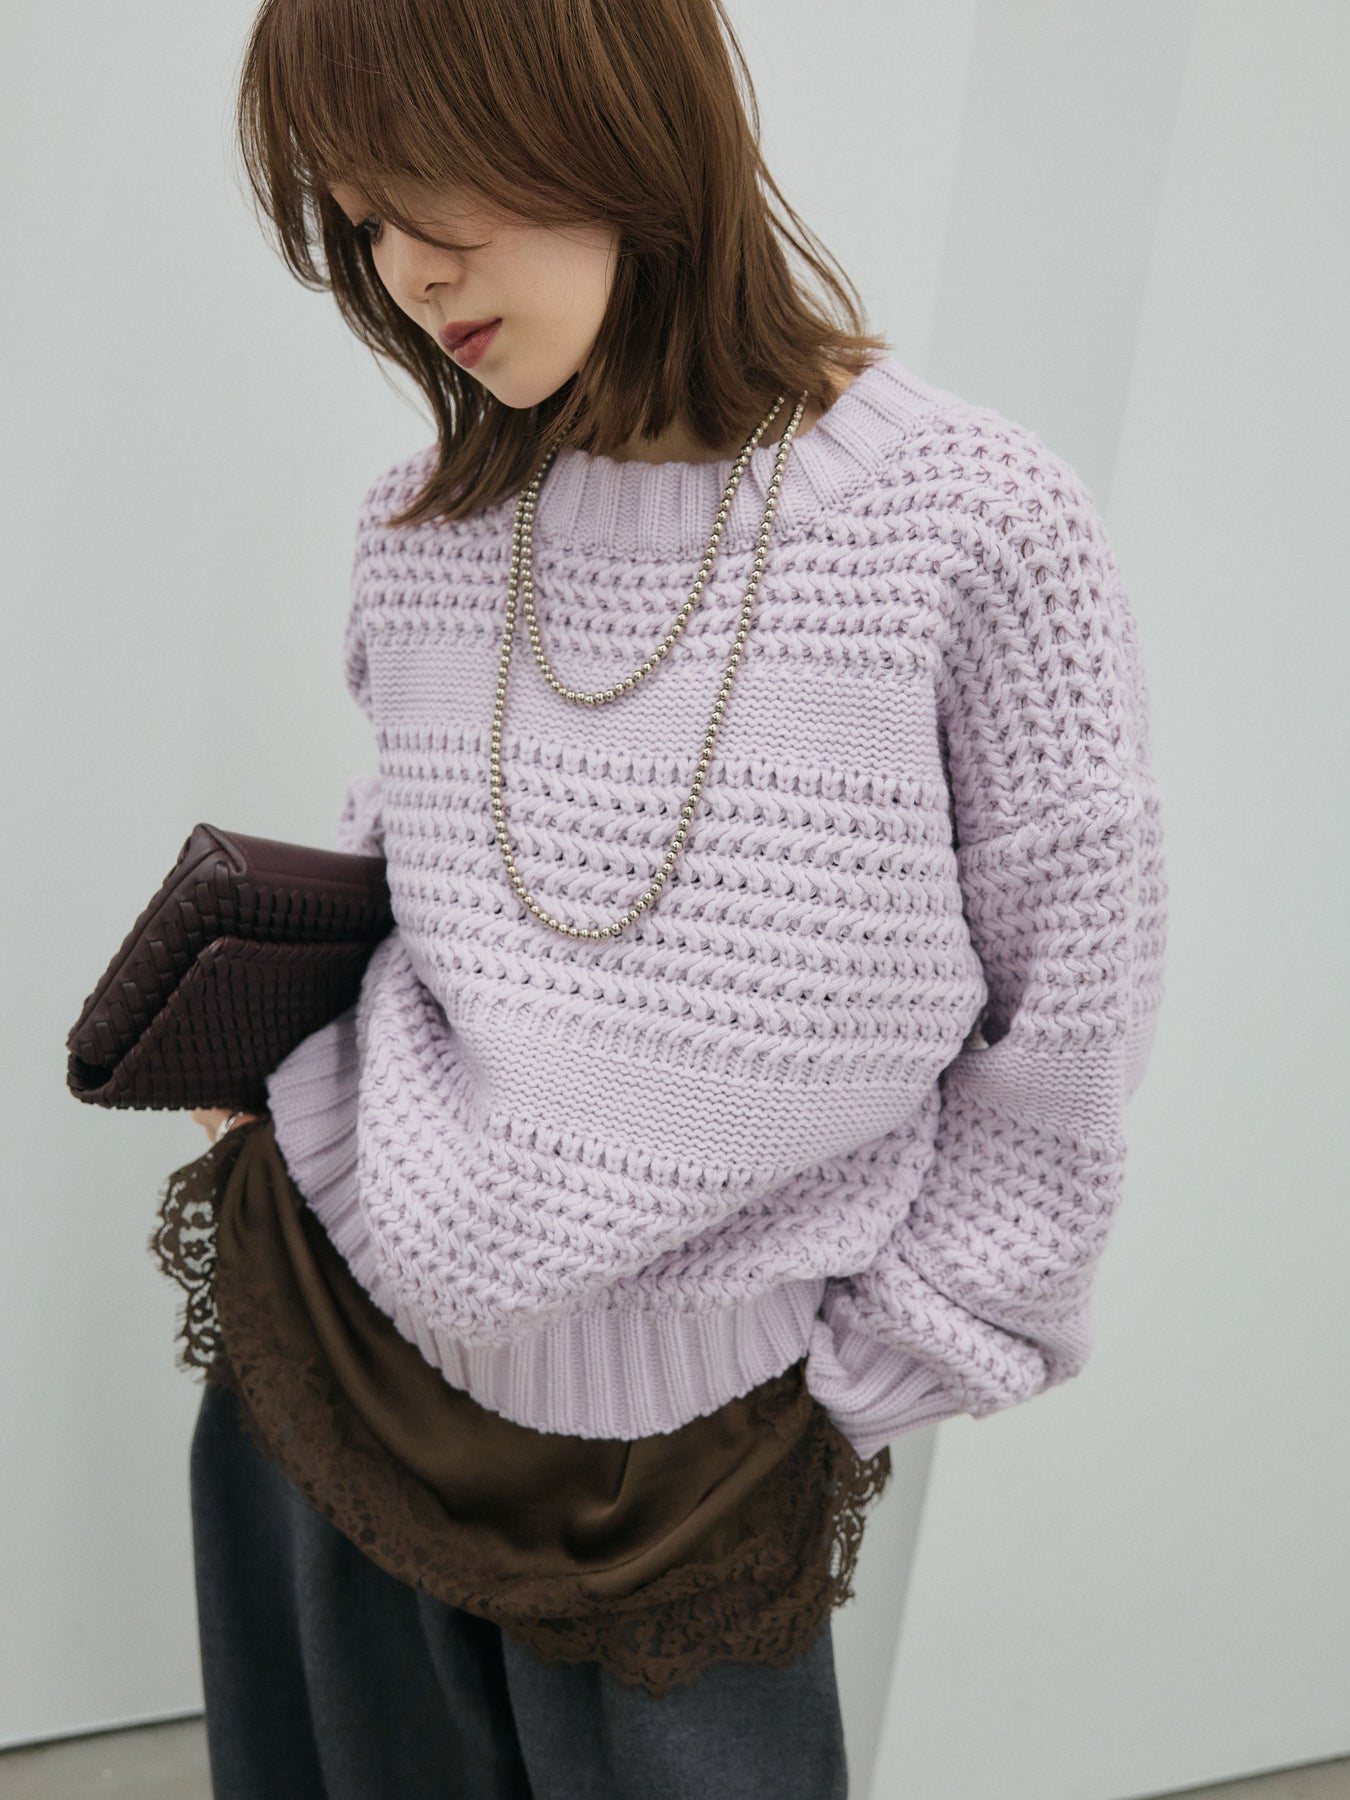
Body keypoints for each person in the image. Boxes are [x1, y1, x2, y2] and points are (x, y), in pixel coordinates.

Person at [173, 0, 1168, 1795]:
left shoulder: (966, 520)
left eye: (433, 189)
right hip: (338, 1345)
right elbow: (421, 881)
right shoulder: (422, 527)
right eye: (362, 219)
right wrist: (272, 1061)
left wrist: (899, 1349)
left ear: (612, 113)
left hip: (696, 1447)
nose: (406, 270)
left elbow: (1068, 1001)